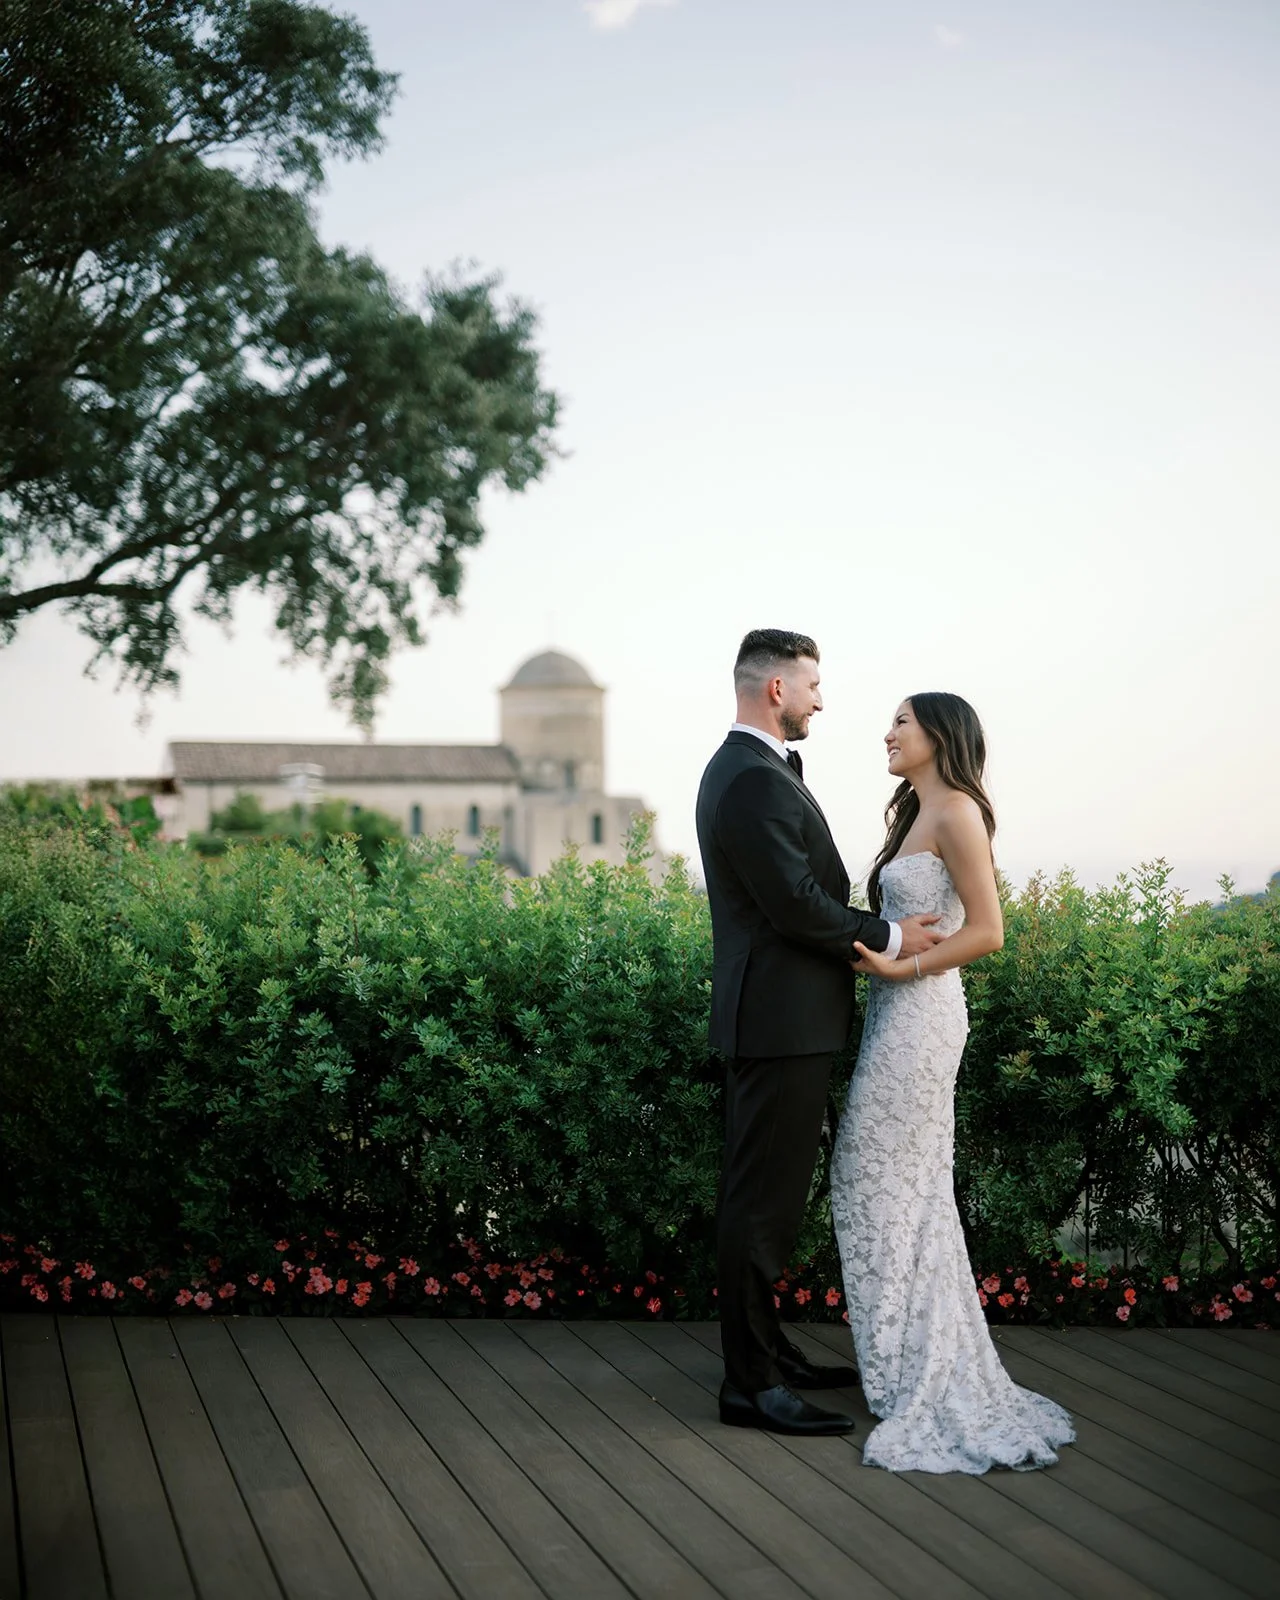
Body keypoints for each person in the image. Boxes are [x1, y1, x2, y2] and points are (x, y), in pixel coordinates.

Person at [696, 630, 944, 1435]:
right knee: (759, 1207)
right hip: (777, 1021)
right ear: (776, 690)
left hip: (785, 1019)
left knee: (770, 1200)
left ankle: (772, 1355)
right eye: (811, 686)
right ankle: (752, 1386)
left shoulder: (754, 771)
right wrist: (896, 936)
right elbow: (796, 904)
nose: (820, 701)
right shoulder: (747, 778)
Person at [830, 692, 1075, 1472]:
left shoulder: (959, 812)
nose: (887, 734)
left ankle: (915, 1367)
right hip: (893, 1013)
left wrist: (902, 967)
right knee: (896, 1186)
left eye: (900, 721)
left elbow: (988, 929)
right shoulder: (911, 813)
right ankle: (900, 1360)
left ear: (939, 733)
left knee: (873, 1177)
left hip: (925, 1016)